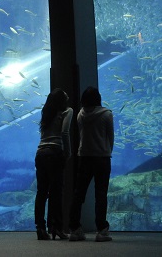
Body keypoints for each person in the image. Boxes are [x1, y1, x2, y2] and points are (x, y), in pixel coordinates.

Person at [68, 86, 114, 242]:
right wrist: (107, 150)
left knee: (79, 193)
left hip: (84, 157)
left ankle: (74, 229)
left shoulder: (80, 115)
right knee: (101, 194)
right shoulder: (107, 114)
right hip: (102, 158)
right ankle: (101, 230)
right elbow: (110, 137)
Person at [34, 88, 73, 240]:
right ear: (62, 100)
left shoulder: (46, 112)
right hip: (55, 152)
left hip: (40, 153)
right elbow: (64, 132)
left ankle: (40, 228)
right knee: (56, 192)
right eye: (65, 95)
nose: (67, 96)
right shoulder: (67, 111)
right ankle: (56, 227)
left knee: (41, 192)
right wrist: (68, 153)